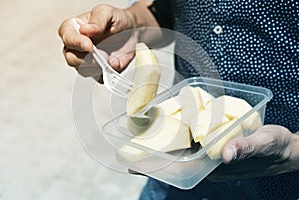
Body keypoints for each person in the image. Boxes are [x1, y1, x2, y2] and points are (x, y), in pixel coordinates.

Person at [58, 0, 299, 199]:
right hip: (179, 168)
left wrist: (292, 152)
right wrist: (133, 22)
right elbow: (167, 8)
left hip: (284, 184)